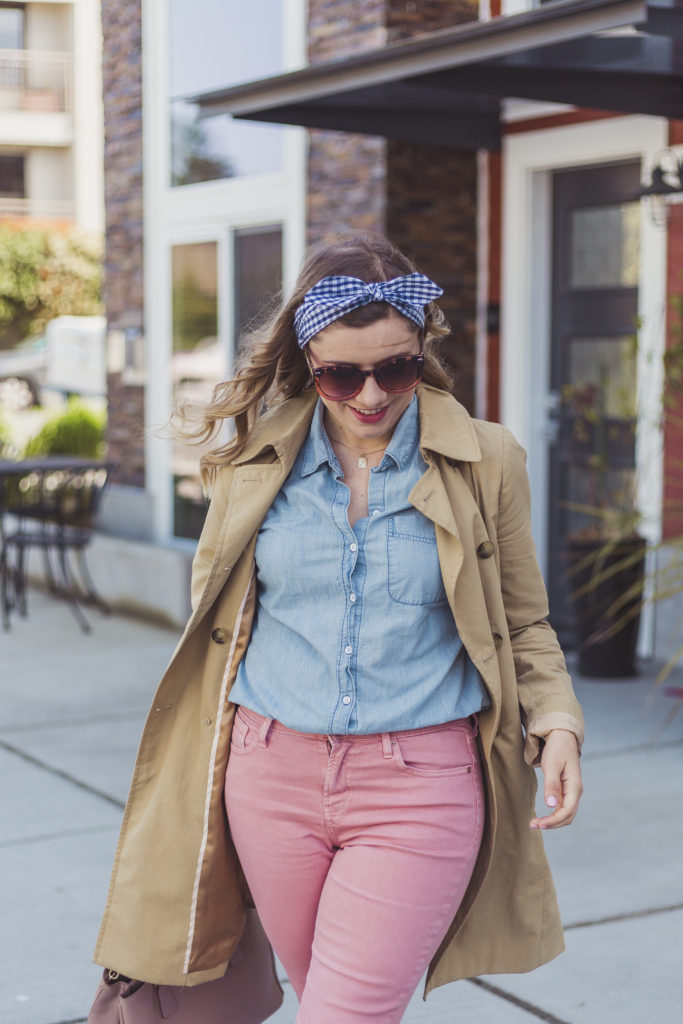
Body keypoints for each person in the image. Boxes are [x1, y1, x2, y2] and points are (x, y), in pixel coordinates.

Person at [93, 233, 584, 1023]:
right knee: (319, 996)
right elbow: (219, 620)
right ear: (306, 358)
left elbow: (522, 620)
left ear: (423, 349)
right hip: (267, 778)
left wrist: (556, 720)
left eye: (396, 367)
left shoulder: (486, 458)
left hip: (419, 784)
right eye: (339, 373)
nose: (369, 395)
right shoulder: (253, 460)